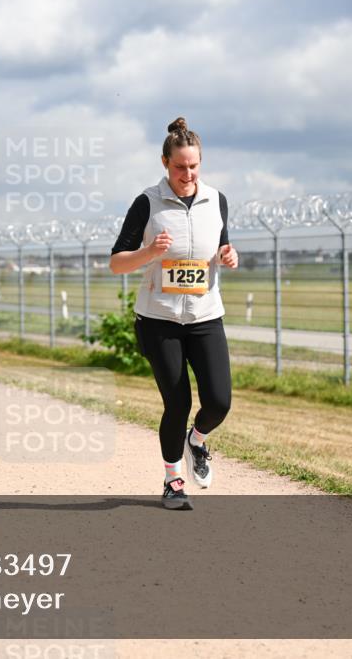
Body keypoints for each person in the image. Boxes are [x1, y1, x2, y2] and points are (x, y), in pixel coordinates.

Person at [109, 117, 238, 510]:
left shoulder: (216, 200)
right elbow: (116, 262)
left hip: (205, 317)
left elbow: (222, 245)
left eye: (194, 165)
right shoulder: (147, 203)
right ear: (165, 162)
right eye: (180, 166)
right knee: (177, 403)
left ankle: (196, 441)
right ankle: (173, 481)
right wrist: (150, 253)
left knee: (219, 401)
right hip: (159, 321)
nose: (188, 174)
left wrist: (228, 254)